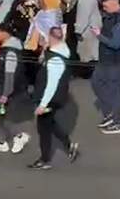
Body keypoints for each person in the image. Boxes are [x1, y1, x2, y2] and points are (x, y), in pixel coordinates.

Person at [30, 26, 79, 169]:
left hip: (51, 98)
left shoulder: (54, 60)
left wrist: (42, 105)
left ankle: (45, 159)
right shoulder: (63, 49)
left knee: (43, 129)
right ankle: (69, 145)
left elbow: (51, 84)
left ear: (51, 37)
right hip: (59, 96)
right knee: (49, 123)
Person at [0, 22, 29, 154]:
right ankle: (1, 141)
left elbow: (10, 75)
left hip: (4, 90)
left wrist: (5, 94)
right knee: (0, 117)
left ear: (6, 33)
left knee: (4, 117)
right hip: (0, 88)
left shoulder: (10, 52)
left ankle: (19, 136)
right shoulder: (6, 49)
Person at [91, 0, 120, 134]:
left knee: (114, 92)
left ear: (114, 4)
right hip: (106, 60)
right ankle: (110, 113)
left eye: (106, 7)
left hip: (115, 62)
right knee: (96, 82)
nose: (104, 9)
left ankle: (117, 121)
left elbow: (115, 43)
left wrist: (98, 35)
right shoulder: (113, 16)